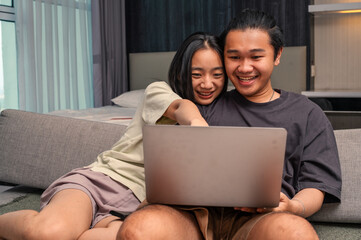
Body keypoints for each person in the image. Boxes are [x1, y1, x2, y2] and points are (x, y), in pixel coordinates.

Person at [117, 9, 342, 240]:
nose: (244, 68)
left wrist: (293, 207)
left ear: (277, 55)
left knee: (295, 234)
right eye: (234, 57)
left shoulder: (307, 114)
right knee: (138, 230)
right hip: (194, 216)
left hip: (262, 220)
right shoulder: (203, 105)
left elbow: (317, 185)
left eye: (256, 57)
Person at [0, 32, 227, 240]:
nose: (207, 83)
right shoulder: (158, 91)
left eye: (216, 75)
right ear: (180, 73)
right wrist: (197, 123)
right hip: (101, 180)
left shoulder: (226, 114)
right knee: (50, 233)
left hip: (135, 206)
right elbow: (180, 108)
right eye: (197, 74)